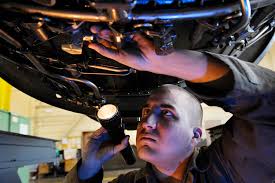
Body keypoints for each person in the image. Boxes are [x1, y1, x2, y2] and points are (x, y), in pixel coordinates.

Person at [64, 27, 275, 183]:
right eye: (146, 112)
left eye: (166, 113)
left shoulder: (231, 168)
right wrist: (88, 169)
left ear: (195, 136)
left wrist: (167, 62)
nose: (146, 123)